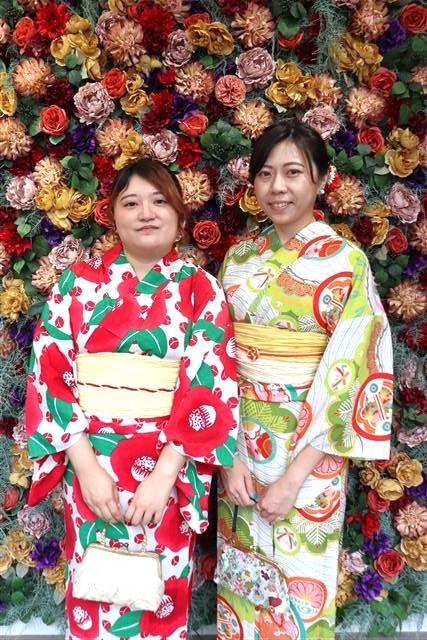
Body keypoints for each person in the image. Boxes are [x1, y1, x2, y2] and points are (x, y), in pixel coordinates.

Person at [25, 158, 238, 640]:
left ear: (180, 215)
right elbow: (50, 374)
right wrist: (85, 467)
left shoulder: (200, 289)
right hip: (91, 460)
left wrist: (163, 476)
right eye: (131, 202)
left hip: (168, 465)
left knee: (158, 593)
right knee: (95, 588)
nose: (146, 212)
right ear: (113, 215)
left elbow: (208, 385)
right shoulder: (77, 283)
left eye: (160, 201)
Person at [217, 120, 393, 640]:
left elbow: (353, 370)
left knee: (299, 586)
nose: (278, 187)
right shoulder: (240, 258)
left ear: (321, 178)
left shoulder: (345, 262)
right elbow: (217, 358)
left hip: (310, 449)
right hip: (241, 441)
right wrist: (227, 455)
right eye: (265, 174)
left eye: (293, 172)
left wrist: (295, 477)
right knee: (242, 585)